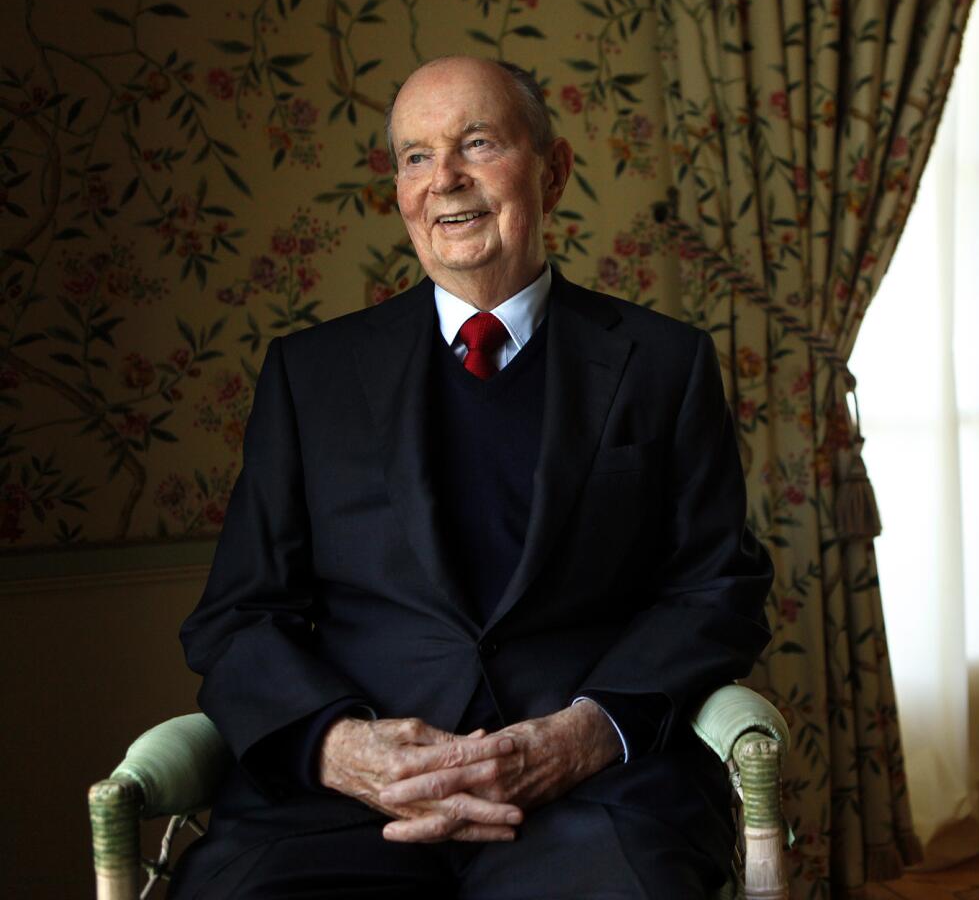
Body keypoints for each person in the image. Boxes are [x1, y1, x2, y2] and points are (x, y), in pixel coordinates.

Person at [170, 56, 773, 898]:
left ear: (552, 171)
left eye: (477, 143)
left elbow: (717, 590)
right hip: (349, 804)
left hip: (589, 796)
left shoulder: (663, 365)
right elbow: (236, 615)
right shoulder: (311, 376)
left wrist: (585, 735)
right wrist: (343, 748)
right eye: (415, 157)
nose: (444, 179)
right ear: (398, 191)